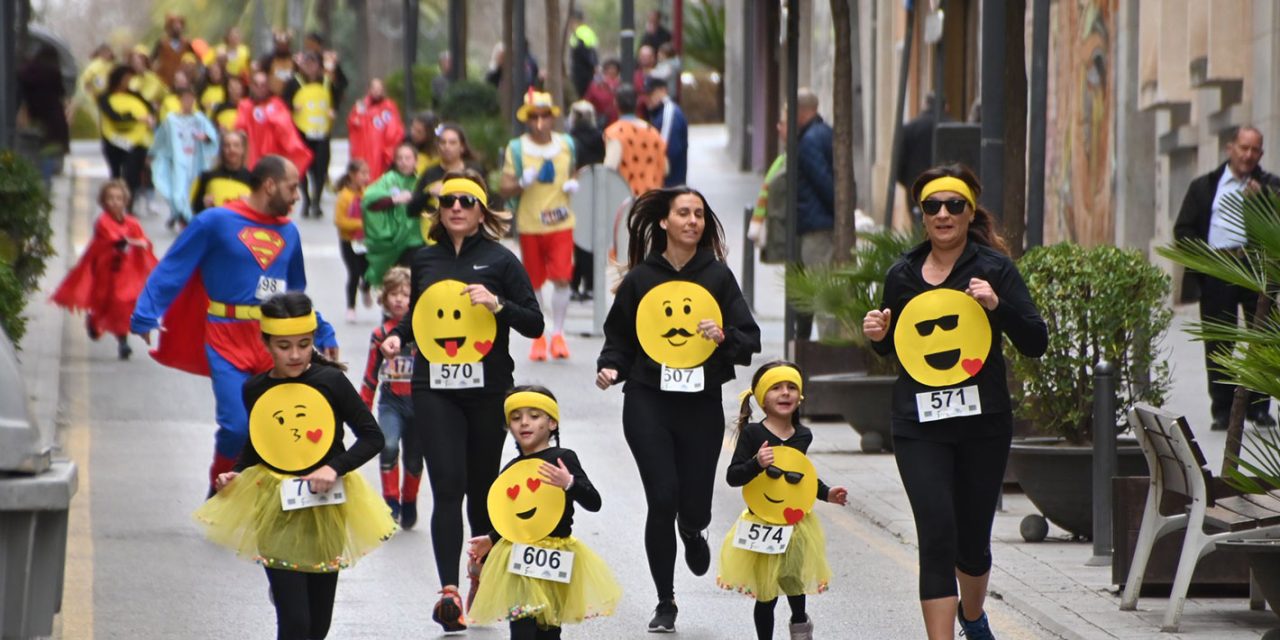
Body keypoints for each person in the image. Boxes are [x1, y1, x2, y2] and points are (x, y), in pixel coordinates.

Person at [861, 164, 1047, 640]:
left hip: (982, 423)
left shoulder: (994, 269)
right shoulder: (901, 275)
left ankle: (972, 614)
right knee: (937, 535)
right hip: (918, 423)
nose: (943, 214)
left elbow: (1036, 340)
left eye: (954, 205)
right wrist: (880, 337)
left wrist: (996, 307)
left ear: (969, 212)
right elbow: (899, 348)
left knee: (972, 541)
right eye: (932, 207)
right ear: (921, 215)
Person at [377, 170, 544, 632]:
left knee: (482, 488)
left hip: (488, 389)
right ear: (439, 209)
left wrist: (498, 305)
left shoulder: (501, 261)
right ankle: (448, 591)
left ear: (481, 211)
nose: (456, 207)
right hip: (435, 387)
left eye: (467, 201)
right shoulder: (424, 260)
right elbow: (417, 319)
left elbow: (534, 323)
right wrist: (395, 338)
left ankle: (480, 573)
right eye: (449, 200)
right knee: (447, 484)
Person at [595, 187, 761, 633]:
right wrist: (610, 367)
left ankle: (693, 528)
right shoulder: (641, 279)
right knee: (661, 497)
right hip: (648, 401)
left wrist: (724, 335)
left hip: (701, 404)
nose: (692, 221)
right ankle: (665, 601)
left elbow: (751, 337)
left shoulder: (718, 277)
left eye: (699, 215)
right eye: (683, 213)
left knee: (694, 506)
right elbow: (618, 338)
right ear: (664, 222)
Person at [131, 155, 339, 496]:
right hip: (225, 337)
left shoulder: (289, 231)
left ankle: (273, 501)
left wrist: (322, 328)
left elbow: (296, 293)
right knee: (236, 427)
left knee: (282, 427)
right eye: (292, 187)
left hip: (274, 341)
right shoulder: (215, 221)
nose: (297, 196)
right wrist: (146, 312)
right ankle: (220, 487)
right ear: (269, 185)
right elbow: (174, 266)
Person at [194, 291, 396, 640]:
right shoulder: (255, 389)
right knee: (295, 624)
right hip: (276, 507)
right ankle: (286, 596)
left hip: (325, 507)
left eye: (304, 344)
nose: (295, 354)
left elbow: (372, 437)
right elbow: (259, 445)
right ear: (267, 344)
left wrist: (335, 468)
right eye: (284, 346)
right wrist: (237, 473)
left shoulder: (330, 382)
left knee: (317, 626)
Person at [466, 386, 622, 638]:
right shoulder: (511, 468)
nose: (524, 423)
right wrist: (492, 539)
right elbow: (513, 519)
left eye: (534, 416)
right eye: (516, 418)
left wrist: (568, 482)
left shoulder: (563, 459)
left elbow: (594, 502)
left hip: (554, 556)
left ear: (551, 423)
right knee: (522, 630)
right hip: (518, 559)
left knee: (548, 632)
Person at [718, 361, 848, 640]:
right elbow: (733, 476)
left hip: (794, 520)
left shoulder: (803, 435)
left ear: (799, 397)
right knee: (766, 593)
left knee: (793, 580)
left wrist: (827, 493)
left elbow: (801, 476)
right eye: (776, 388)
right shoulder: (753, 434)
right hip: (762, 521)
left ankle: (800, 623)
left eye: (791, 388)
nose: (785, 393)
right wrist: (757, 463)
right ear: (763, 398)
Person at [1174, 125, 1280, 431]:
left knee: (1262, 340)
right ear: (1229, 148)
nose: (1248, 155)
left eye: (1255, 150)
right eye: (1243, 148)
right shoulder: (1204, 187)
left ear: (1261, 153)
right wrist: (1205, 261)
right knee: (1220, 342)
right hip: (1219, 270)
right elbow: (1183, 230)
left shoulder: (1270, 186)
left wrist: (1263, 201)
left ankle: (1259, 408)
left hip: (1257, 272)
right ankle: (1222, 409)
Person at [500, 91, 579, 360]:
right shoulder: (517, 148)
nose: (540, 122)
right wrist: (521, 182)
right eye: (534, 116)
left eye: (545, 115)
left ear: (553, 117)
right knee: (533, 282)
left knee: (561, 277)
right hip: (530, 222)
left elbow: (574, 171)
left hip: (561, 221)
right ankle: (541, 336)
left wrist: (573, 184)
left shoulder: (566, 144)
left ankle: (558, 333)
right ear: (527, 119)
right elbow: (504, 186)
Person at [51, 180, 157, 361]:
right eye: (110, 198)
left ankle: (122, 341)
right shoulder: (103, 221)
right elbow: (114, 239)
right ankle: (95, 321)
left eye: (119, 198)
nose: (115, 202)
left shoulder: (132, 222)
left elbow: (143, 241)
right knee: (105, 301)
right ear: (103, 201)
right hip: (105, 269)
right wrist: (132, 242)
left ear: (125, 201)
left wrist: (141, 244)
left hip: (125, 271)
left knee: (122, 302)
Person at [360, 267, 422, 528]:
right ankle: (391, 502)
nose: (398, 299)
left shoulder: (424, 332)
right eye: (393, 294)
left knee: (415, 457)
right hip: (391, 402)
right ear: (384, 298)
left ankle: (409, 500)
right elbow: (371, 374)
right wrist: (361, 409)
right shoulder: (380, 335)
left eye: (405, 294)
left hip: (420, 403)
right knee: (388, 445)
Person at [791, 90, 836, 340]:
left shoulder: (809, 140)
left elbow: (824, 183)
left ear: (801, 111)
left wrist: (837, 215)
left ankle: (830, 346)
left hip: (817, 225)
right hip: (823, 221)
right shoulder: (824, 132)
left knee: (820, 291)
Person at [285, 51, 347, 218]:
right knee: (303, 167)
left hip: (322, 132)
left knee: (320, 167)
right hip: (302, 132)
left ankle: (316, 202)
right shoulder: (294, 83)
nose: (310, 68)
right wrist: (292, 108)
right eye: (307, 64)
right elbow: (284, 103)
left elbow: (341, 87)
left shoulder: (327, 82)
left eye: (314, 64)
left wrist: (336, 66)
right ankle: (306, 200)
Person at [150, 86, 219, 229]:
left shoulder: (199, 118)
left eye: (191, 98)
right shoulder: (171, 120)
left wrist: (205, 138)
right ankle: (181, 215)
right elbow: (160, 138)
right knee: (177, 192)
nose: (188, 101)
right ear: (179, 100)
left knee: (192, 192)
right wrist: (153, 153)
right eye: (185, 98)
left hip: (195, 161)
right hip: (178, 162)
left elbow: (212, 137)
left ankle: (184, 217)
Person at [407, 123, 484, 243]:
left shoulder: (474, 172)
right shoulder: (429, 173)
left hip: (468, 238)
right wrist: (429, 193)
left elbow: (486, 204)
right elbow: (411, 210)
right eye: (443, 142)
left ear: (462, 147)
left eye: (452, 143)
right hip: (434, 240)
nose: (446, 147)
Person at [362, 142, 424, 286]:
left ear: (415, 160)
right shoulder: (388, 179)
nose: (404, 162)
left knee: (411, 280)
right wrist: (394, 199)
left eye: (408, 158)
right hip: (393, 241)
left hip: (415, 239)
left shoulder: (421, 181)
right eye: (400, 158)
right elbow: (369, 201)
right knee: (394, 281)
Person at [98, 64, 155, 212]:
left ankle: (129, 204)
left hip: (135, 142)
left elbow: (150, 109)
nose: (128, 82)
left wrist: (149, 119)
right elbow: (114, 116)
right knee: (116, 173)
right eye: (126, 79)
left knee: (133, 173)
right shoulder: (105, 97)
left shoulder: (136, 96)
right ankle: (113, 204)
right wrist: (134, 118)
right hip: (114, 140)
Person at [237, 71, 313, 177]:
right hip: (252, 161)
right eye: (256, 85)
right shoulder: (245, 106)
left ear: (268, 87)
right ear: (251, 86)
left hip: (275, 159)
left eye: (263, 85)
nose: (260, 88)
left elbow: (287, 129)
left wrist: (272, 118)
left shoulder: (277, 104)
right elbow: (240, 129)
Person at [16, 44, 70, 187]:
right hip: (52, 116)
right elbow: (61, 93)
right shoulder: (53, 72)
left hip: (32, 114)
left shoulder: (25, 71)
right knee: (49, 149)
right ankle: (45, 181)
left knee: (29, 147)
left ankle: (30, 178)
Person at [604, 83, 667, 197]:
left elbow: (610, 168)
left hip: (627, 200)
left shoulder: (615, 133)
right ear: (637, 102)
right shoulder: (653, 132)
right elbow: (666, 168)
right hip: (653, 200)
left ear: (615, 103)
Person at [333, 159, 373, 319]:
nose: (366, 177)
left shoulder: (367, 193)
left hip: (366, 241)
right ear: (352, 175)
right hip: (349, 242)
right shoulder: (344, 196)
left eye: (367, 173)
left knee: (369, 271)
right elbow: (339, 221)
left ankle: (366, 288)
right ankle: (351, 306)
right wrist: (360, 224)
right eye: (362, 173)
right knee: (354, 272)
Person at [347, 78, 404, 180]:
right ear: (368, 90)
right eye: (374, 88)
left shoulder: (389, 106)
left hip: (381, 152)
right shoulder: (360, 106)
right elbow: (353, 124)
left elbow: (395, 129)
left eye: (379, 88)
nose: (377, 91)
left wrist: (389, 148)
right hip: (363, 150)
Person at [190, 130, 252, 215]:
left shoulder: (252, 180)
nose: (231, 149)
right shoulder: (208, 176)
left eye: (236, 145)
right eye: (227, 145)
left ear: (243, 149)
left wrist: (250, 205)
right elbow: (195, 208)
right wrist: (203, 204)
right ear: (222, 150)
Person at [645, 77, 687, 187]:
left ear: (663, 91)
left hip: (669, 182)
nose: (648, 98)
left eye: (651, 93)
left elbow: (665, 148)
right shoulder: (661, 112)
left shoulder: (669, 112)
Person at [152, 14, 196, 88]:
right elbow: (152, 60)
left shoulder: (187, 43)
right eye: (174, 24)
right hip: (165, 82)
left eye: (179, 24)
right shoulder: (162, 43)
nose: (177, 27)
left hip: (183, 83)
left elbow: (194, 60)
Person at [567, 9, 599, 99]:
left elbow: (584, 53)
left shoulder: (579, 33)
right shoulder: (588, 31)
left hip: (582, 72)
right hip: (588, 71)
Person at [581, 57, 621, 127]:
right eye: (609, 69)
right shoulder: (595, 86)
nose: (611, 71)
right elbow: (587, 103)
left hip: (618, 122)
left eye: (614, 69)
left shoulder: (621, 85)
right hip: (602, 122)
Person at [260, 30, 296, 97]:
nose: (282, 47)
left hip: (290, 96)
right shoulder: (268, 60)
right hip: (272, 96)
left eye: (284, 44)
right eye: (280, 44)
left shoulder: (294, 60)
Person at [407, 111, 441, 175]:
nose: (413, 133)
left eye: (419, 132)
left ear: (430, 134)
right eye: (413, 128)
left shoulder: (439, 154)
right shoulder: (406, 142)